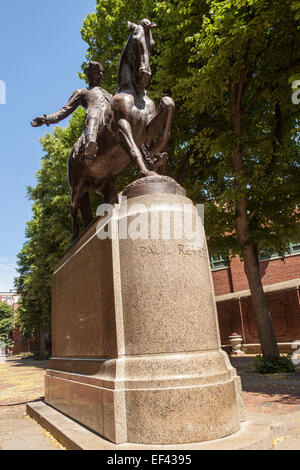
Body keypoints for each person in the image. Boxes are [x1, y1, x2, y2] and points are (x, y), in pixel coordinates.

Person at [31, 61, 112, 159]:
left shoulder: (109, 95)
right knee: (94, 113)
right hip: (94, 116)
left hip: (110, 119)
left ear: (100, 75)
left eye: (96, 73)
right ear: (87, 75)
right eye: (91, 73)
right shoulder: (82, 92)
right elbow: (65, 110)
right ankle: (90, 144)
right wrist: (46, 119)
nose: (94, 76)